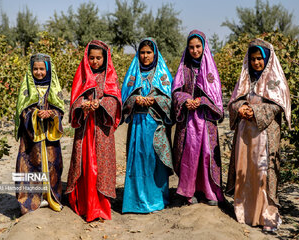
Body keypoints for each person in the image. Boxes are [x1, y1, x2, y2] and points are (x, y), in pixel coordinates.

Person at [226, 39, 291, 231]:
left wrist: (255, 112)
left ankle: (266, 215)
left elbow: (278, 105)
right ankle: (245, 212)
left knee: (262, 172)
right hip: (245, 134)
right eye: (253, 59)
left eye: (259, 59)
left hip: (264, 134)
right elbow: (233, 101)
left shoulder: (275, 80)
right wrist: (241, 108)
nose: (256, 63)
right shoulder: (245, 78)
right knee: (245, 171)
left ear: (267, 59)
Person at [66, 40, 122, 222]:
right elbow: (74, 99)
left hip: (102, 129)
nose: (95, 61)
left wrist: (102, 103)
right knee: (85, 165)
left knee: (101, 165)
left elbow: (115, 100)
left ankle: (100, 207)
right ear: (86, 58)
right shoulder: (81, 75)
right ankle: (84, 204)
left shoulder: (109, 76)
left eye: (99, 58)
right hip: (85, 129)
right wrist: (82, 105)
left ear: (105, 59)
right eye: (92, 58)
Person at [172, 30, 225, 206]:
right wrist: (186, 100)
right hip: (188, 120)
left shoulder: (210, 69)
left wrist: (201, 100)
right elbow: (176, 91)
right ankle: (189, 191)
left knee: (206, 154)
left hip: (206, 118)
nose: (195, 50)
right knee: (189, 154)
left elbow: (215, 96)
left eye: (198, 46)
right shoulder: (184, 68)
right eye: (191, 47)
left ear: (204, 47)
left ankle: (209, 191)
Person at [121, 38, 173, 213]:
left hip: (155, 125)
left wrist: (154, 100)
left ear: (155, 54)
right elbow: (124, 99)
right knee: (138, 161)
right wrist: (135, 99)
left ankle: (157, 199)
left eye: (148, 52)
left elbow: (169, 100)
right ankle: (135, 201)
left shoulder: (163, 75)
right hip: (137, 125)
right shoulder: (133, 75)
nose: (145, 56)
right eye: (142, 52)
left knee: (154, 161)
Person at [15, 53, 64, 215]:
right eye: (35, 69)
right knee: (30, 163)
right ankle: (30, 198)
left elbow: (60, 109)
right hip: (31, 136)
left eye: (42, 69)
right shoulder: (26, 88)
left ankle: (50, 196)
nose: (39, 72)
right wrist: (35, 114)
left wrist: (51, 114)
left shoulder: (53, 87)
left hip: (49, 134)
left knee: (53, 164)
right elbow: (21, 109)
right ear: (31, 70)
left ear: (48, 69)